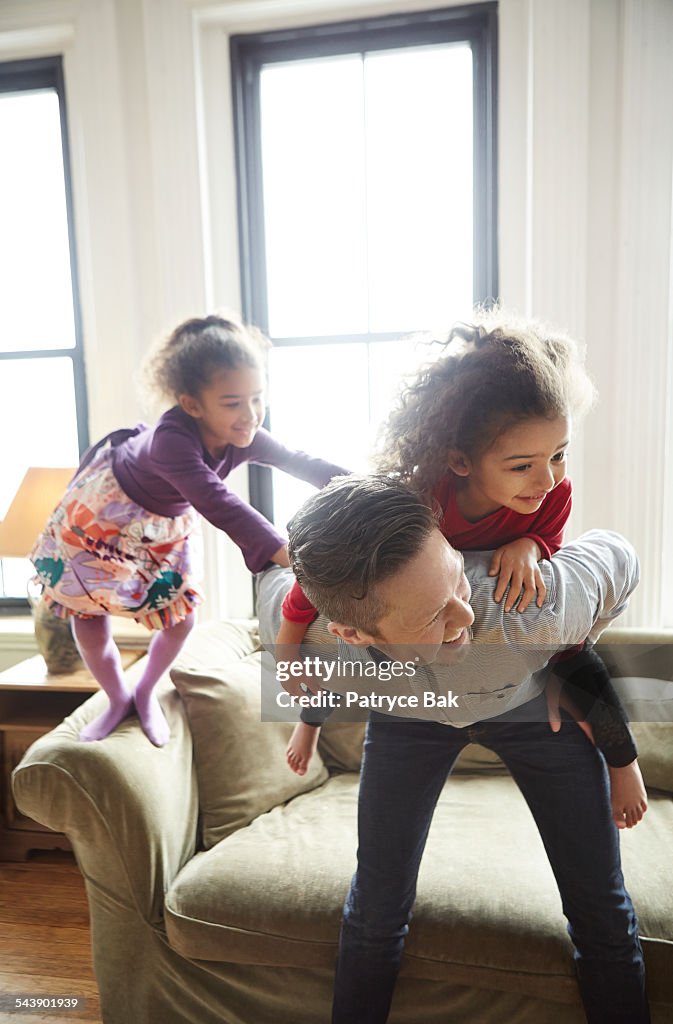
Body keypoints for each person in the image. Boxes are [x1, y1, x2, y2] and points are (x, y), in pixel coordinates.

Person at [257, 474, 650, 1024]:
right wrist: (303, 707)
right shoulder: (315, 641)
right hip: (407, 721)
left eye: (457, 584)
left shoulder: (528, 613)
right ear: (351, 634)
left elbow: (620, 557)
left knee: (602, 910)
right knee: (375, 907)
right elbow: (277, 587)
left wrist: (575, 646)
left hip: (531, 713)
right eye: (433, 617)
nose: (464, 617)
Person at [277, 310, 647, 831]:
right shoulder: (419, 497)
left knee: (581, 665)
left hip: (516, 622)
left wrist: (531, 544)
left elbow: (554, 542)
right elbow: (323, 582)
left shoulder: (552, 491)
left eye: (559, 454)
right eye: (522, 465)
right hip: (417, 626)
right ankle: (308, 728)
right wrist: (289, 647)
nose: (547, 478)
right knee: (357, 655)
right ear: (459, 461)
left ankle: (624, 765)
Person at [31, 314, 347, 746]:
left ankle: (144, 693)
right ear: (192, 405)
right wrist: (290, 555)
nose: (250, 415)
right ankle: (117, 697)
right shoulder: (170, 441)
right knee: (88, 617)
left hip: (160, 523)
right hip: (106, 513)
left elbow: (302, 462)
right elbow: (220, 503)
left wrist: (372, 488)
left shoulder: (245, 431)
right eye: (233, 403)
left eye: (258, 399)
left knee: (181, 618)